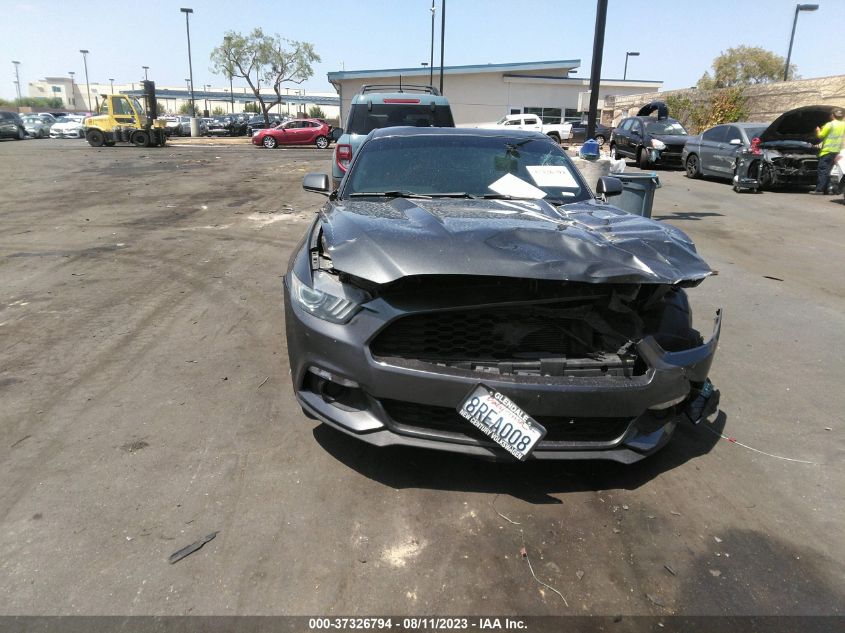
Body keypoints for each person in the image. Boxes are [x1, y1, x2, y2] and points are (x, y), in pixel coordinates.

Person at [812, 107, 845, 195]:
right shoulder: (843, 125)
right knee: (830, 171)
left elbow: (820, 136)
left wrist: (818, 130)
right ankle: (829, 189)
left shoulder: (830, 125)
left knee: (823, 170)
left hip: (827, 151)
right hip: (837, 152)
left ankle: (819, 190)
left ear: (832, 115)